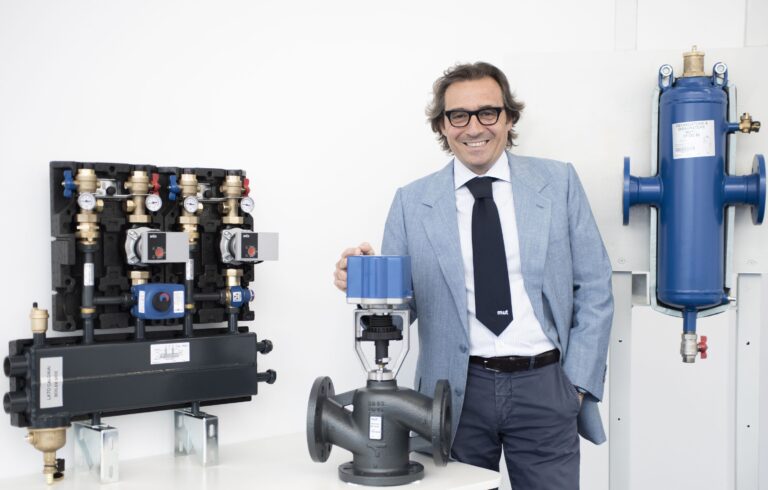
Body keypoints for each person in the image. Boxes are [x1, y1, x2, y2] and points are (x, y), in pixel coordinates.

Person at [333, 62, 613, 490]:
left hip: (545, 386)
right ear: (443, 126)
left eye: (488, 112)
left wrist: (574, 385)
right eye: (459, 116)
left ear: (509, 118)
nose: (474, 127)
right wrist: (365, 284)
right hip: (453, 393)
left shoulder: (559, 183)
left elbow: (594, 286)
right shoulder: (412, 202)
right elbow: (400, 309)